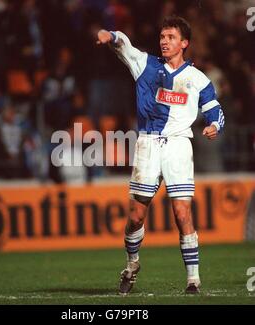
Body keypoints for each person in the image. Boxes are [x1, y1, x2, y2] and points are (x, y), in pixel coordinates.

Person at [96, 16, 225, 295]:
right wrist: (111, 35)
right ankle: (132, 265)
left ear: (184, 43)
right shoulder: (146, 64)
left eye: (170, 37)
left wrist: (214, 125)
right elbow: (125, 45)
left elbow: (214, 109)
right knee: (136, 216)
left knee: (182, 213)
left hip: (179, 145)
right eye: (162, 37)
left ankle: (193, 279)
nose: (164, 41)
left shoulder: (197, 79)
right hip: (148, 143)